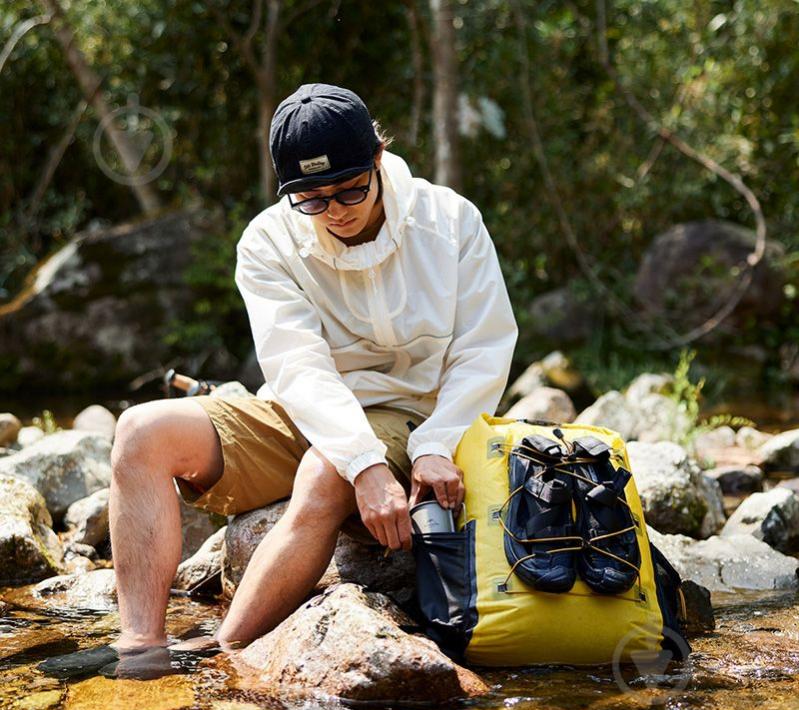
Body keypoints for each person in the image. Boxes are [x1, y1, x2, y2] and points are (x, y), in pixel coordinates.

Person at [39, 83, 517, 679]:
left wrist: (432, 444)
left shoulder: (450, 221)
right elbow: (297, 367)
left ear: (378, 158)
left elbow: (484, 348)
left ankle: (222, 654)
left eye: (349, 189)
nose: (336, 210)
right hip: (305, 410)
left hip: (415, 416)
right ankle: (141, 649)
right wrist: (362, 461)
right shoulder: (267, 242)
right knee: (139, 432)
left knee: (325, 470)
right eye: (311, 199)